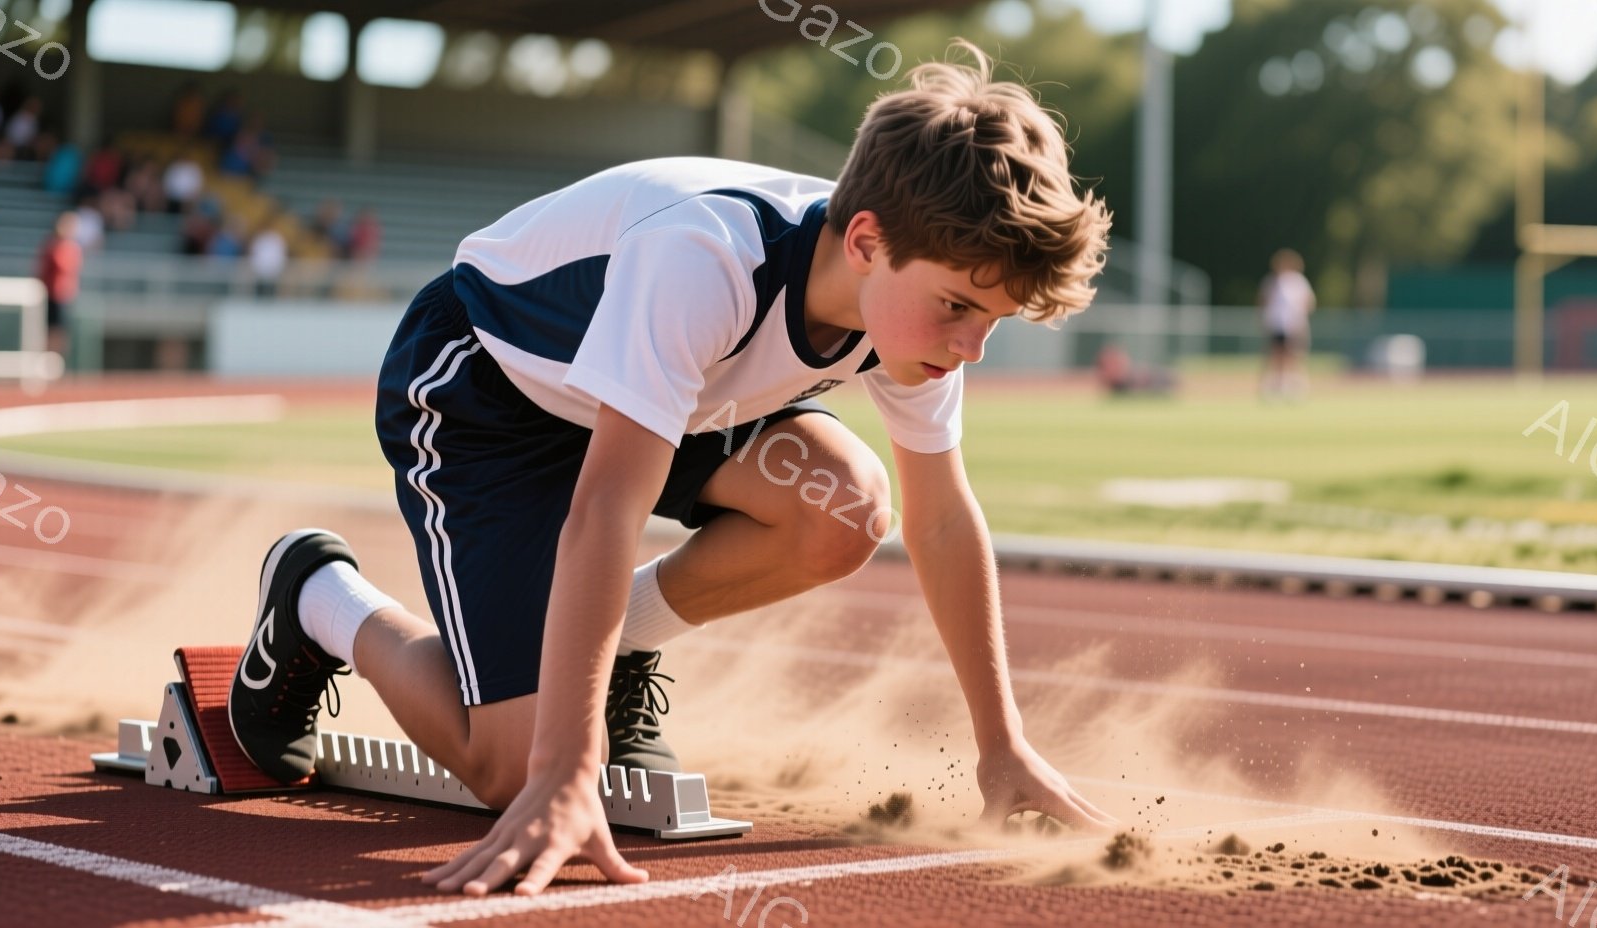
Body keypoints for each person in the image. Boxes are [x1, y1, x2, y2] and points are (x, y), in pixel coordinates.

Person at [225, 41, 1116, 898]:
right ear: (864, 242)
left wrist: (1002, 745)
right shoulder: (708, 258)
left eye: (992, 320)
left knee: (845, 509)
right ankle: (317, 596)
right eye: (957, 307)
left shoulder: (912, 305)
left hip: (683, 399)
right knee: (512, 769)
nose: (971, 346)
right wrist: (567, 769)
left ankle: (610, 655)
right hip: (490, 394)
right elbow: (607, 508)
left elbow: (942, 519)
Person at [1257, 247, 1316, 400]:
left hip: (1294, 325)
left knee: (1294, 356)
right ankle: (1275, 386)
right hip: (1277, 325)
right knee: (1275, 356)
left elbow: (1308, 302)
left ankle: (1296, 386)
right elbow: (1264, 301)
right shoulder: (1272, 281)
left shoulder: (1298, 282)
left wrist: (1299, 320)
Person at [35, 212, 83, 358]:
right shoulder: (54, 246)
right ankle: (49, 358)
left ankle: (57, 358)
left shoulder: (71, 247)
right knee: (51, 329)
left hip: (64, 296)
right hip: (52, 295)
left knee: (61, 330)